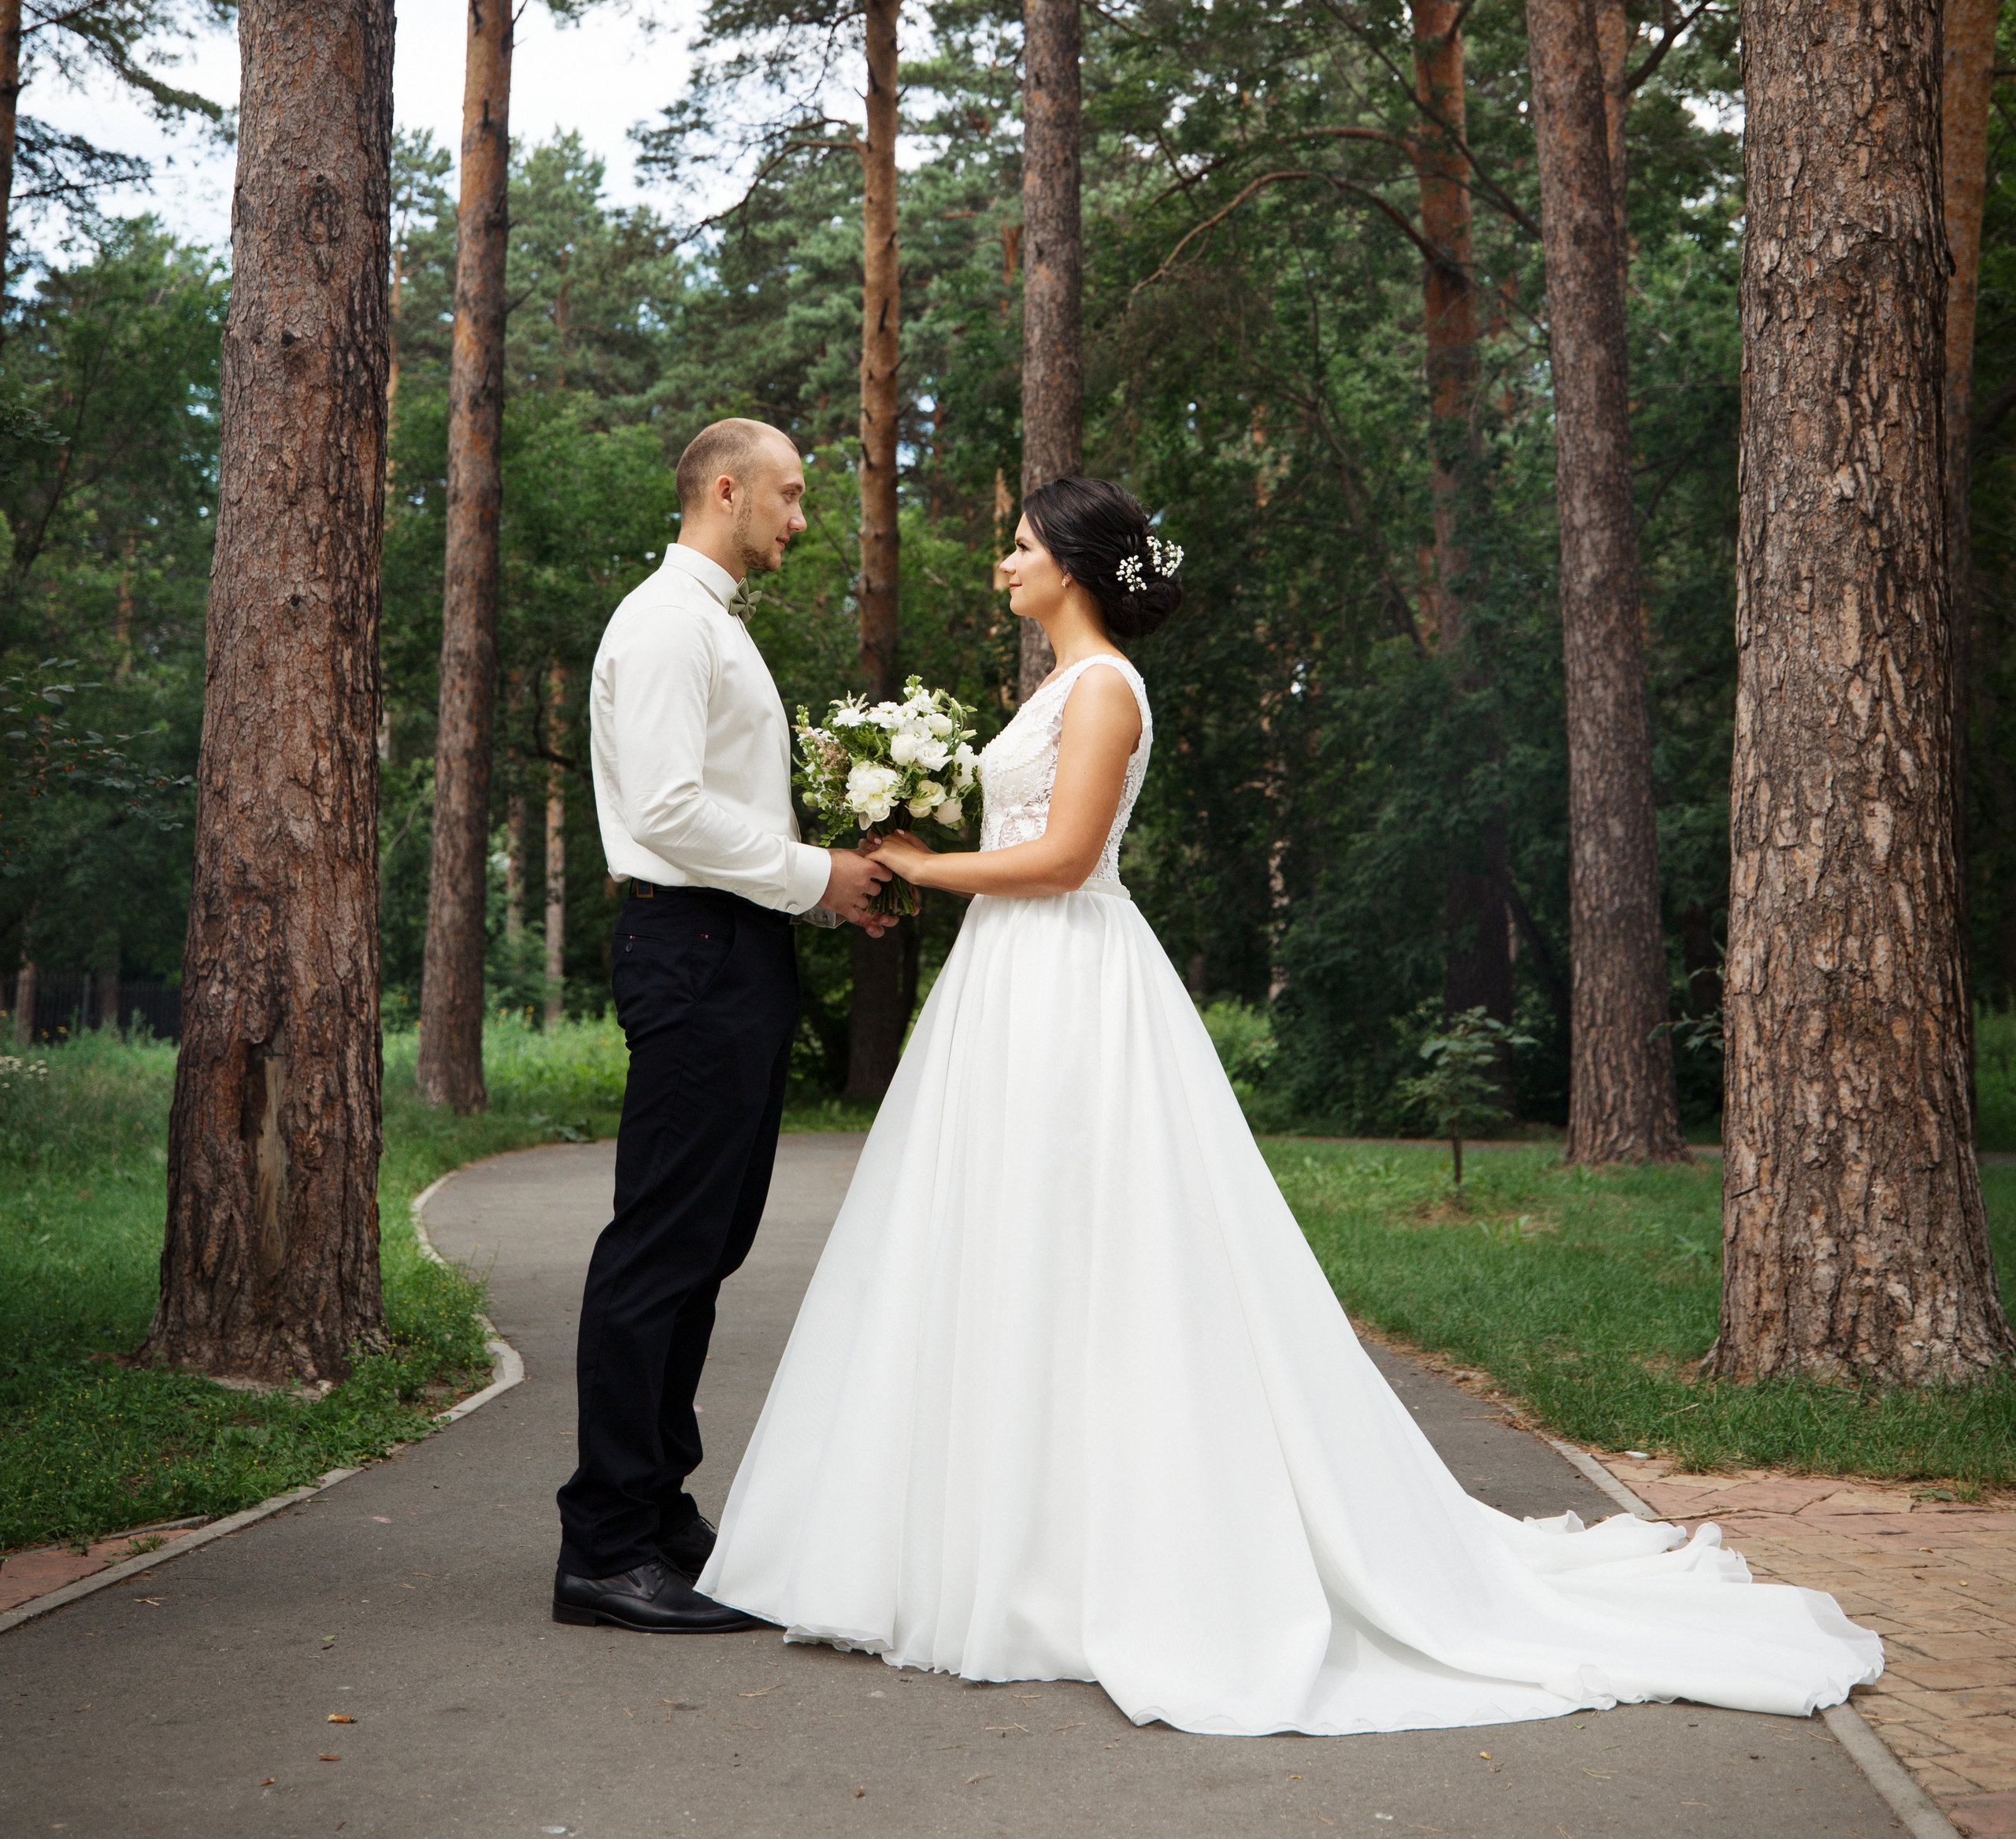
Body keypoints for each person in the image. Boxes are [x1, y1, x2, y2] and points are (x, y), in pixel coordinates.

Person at [700, 476, 1884, 1735]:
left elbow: (1062, 859)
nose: (1005, 563)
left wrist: (926, 864)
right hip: (1007, 985)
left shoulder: (1104, 689)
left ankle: (1081, 1559)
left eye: (1022, 547)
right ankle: (995, 1535)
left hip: (1070, 976)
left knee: (1095, 1243)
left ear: (1078, 570)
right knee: (1000, 1240)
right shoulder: (1052, 686)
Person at [553, 420, 892, 1635]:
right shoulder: (663, 624)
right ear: (728, 489)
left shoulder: (711, 624)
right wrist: (818, 874)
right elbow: (667, 807)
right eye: (791, 497)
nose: (802, 521)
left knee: (706, 1247)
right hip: (691, 944)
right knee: (658, 1250)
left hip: (731, 947)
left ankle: (656, 1511)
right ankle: (602, 1544)